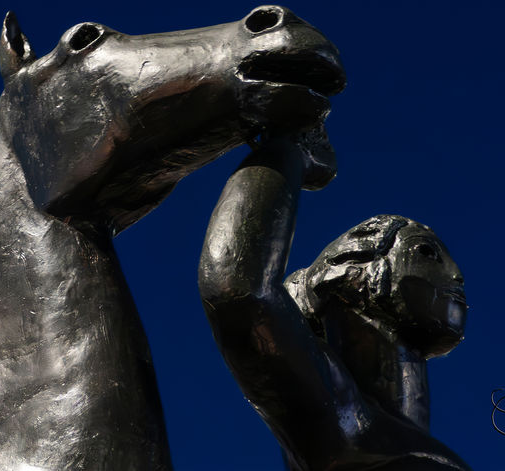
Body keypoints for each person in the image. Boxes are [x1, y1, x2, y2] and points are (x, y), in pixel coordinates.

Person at [198, 135, 471, 471]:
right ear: (357, 273)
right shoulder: (345, 414)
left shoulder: (398, 436)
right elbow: (237, 290)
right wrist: (288, 149)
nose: (456, 275)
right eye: (426, 254)